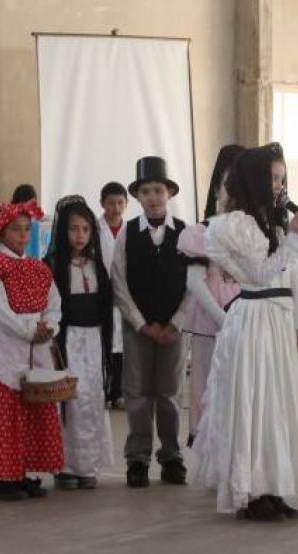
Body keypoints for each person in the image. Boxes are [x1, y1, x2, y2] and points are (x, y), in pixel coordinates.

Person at [193, 143, 298, 521]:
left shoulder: (275, 222)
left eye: (283, 179)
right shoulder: (234, 225)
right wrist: (294, 237)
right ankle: (250, 491)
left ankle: (273, 485)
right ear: (253, 181)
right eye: (273, 179)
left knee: (277, 407)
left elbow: (292, 273)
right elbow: (260, 273)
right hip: (253, 323)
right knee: (255, 405)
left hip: (279, 322)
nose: (280, 186)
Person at [0, 200, 63, 501]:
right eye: (15, 230)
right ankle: (1, 478)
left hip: (34, 346)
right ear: (1, 232)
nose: (22, 236)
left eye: (26, 230)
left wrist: (50, 325)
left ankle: (21, 472)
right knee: (6, 410)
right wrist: (26, 330)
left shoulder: (38, 267)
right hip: (7, 344)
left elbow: (53, 303)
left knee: (31, 408)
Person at [112, 156, 189, 488]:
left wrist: (176, 323)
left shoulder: (186, 233)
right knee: (137, 394)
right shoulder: (127, 234)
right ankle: (138, 459)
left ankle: (171, 457)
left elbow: (194, 285)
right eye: (146, 191)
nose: (153, 196)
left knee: (169, 395)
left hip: (174, 330)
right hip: (138, 328)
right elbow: (119, 282)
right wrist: (141, 324)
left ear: (168, 193)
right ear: (138, 197)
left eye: (158, 189)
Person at [45, 197, 114, 490]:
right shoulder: (53, 266)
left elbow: (105, 304)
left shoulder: (97, 265)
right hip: (67, 339)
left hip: (93, 339)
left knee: (91, 397)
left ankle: (87, 465)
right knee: (69, 400)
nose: (80, 235)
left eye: (85, 229)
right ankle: (65, 466)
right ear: (63, 231)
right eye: (74, 229)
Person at [177, 144, 244, 446]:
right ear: (217, 187)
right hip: (209, 322)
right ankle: (211, 454)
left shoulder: (253, 232)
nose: (233, 193)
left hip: (244, 321)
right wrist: (222, 318)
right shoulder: (198, 233)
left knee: (240, 390)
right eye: (228, 184)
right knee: (205, 386)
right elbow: (194, 281)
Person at [97, 182, 128, 409]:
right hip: (101, 294)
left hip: (124, 294)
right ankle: (103, 391)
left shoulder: (131, 229)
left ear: (126, 204)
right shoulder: (94, 229)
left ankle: (118, 391)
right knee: (104, 343)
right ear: (102, 204)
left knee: (122, 346)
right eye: (110, 203)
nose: (115, 208)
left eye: (119, 202)